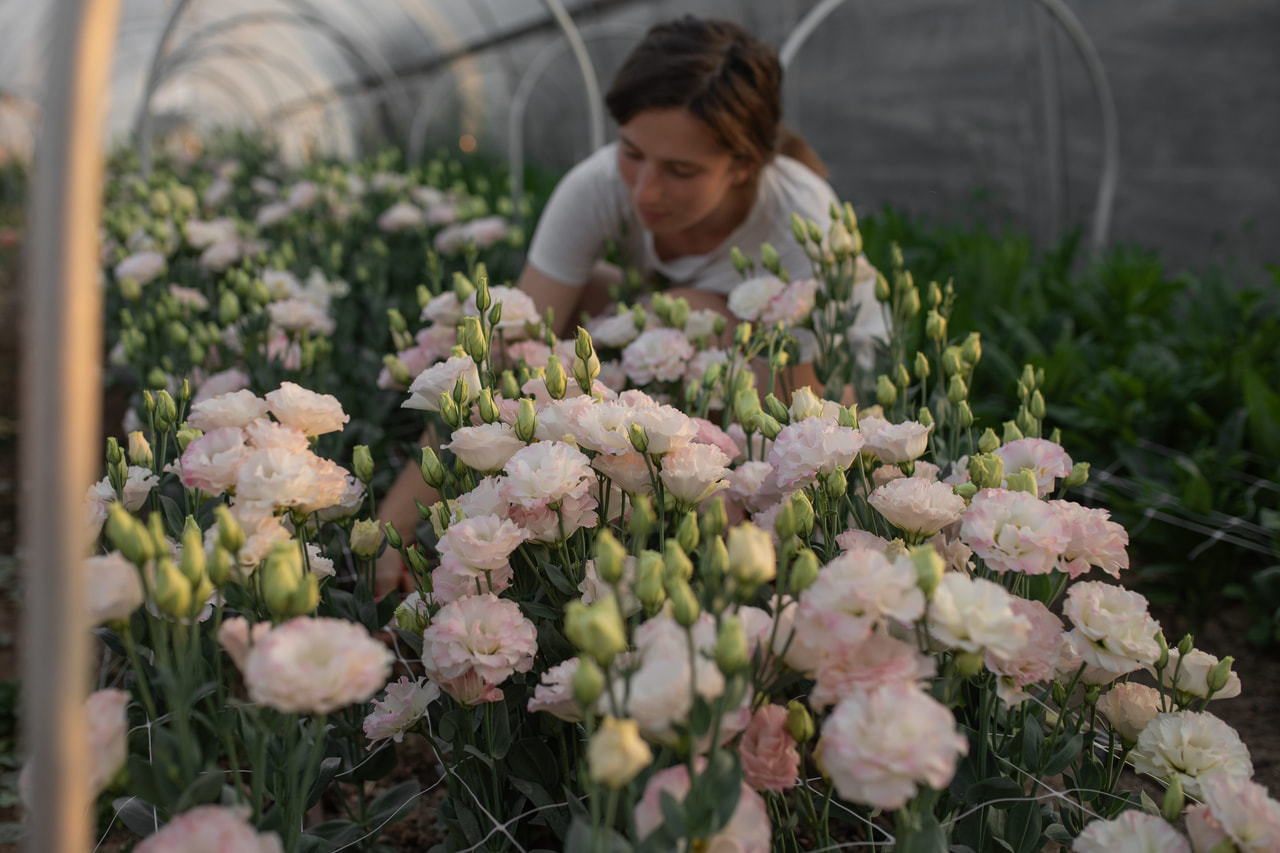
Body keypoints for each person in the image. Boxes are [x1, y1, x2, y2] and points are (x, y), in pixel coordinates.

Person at [375, 16, 885, 594]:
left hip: (819, 382)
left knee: (694, 311)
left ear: (744, 164)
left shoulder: (801, 218)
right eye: (632, 152)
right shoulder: (593, 187)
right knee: (555, 308)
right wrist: (395, 519)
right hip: (677, 358)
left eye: (681, 170)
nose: (644, 190)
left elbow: (810, 412)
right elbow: (499, 352)